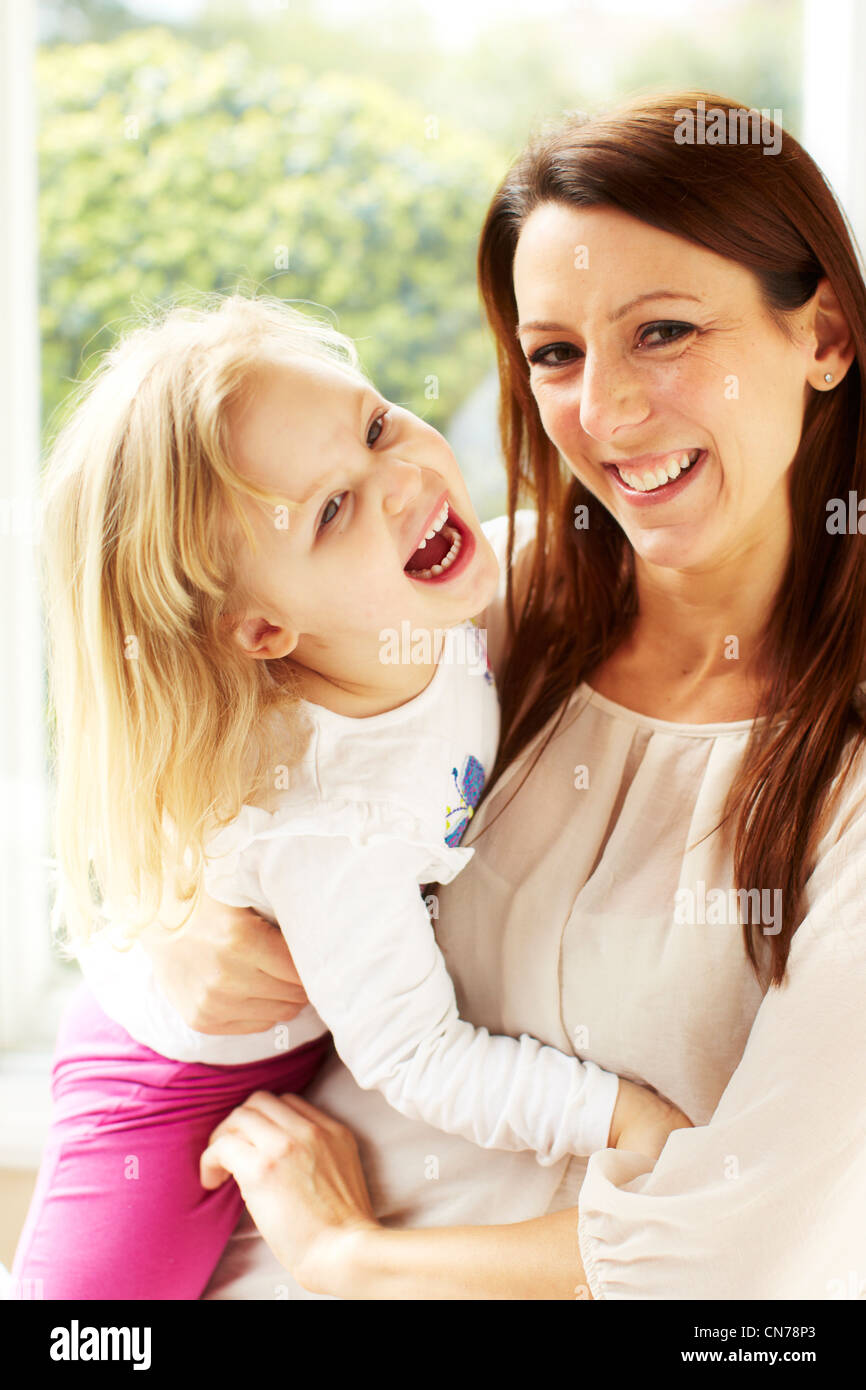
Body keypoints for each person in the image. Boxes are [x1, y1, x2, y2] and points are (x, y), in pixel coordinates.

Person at [164, 92, 866, 1299]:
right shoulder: (485, 601)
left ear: (824, 337)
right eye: (555, 353)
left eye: (663, 332)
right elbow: (218, 779)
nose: (602, 413)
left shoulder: (839, 770)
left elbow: (747, 1256)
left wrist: (348, 1258)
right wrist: (186, 936)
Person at [12, 295, 685, 1302]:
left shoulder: (441, 587)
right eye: (330, 510)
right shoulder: (327, 820)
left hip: (314, 1006)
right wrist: (620, 1117)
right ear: (263, 631)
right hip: (168, 1086)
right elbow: (417, 1056)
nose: (403, 481)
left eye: (374, 426)